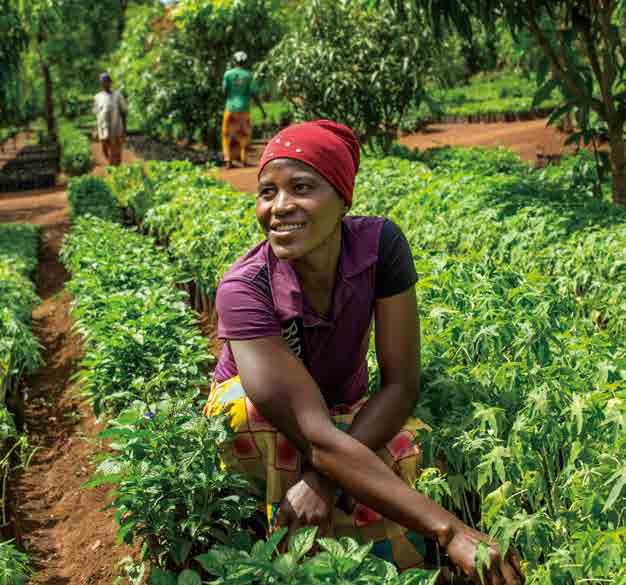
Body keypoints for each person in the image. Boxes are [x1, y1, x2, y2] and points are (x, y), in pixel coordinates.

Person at [205, 120, 523, 584]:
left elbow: (400, 383)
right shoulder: (244, 288)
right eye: (266, 192)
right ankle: (280, 557)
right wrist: (450, 529)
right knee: (246, 416)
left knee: (403, 445)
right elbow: (312, 434)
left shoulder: (380, 247)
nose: (279, 207)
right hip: (271, 427)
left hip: (338, 415)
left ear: (343, 199)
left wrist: (324, 480)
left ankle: (381, 570)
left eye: (301, 188)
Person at [222, 51, 265, 169]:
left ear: (234, 61)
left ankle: (228, 160)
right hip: (244, 109)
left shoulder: (228, 74)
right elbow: (254, 94)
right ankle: (244, 160)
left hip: (230, 108)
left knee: (227, 135)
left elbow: (224, 91)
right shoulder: (249, 75)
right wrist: (262, 109)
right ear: (245, 62)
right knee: (244, 135)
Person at [93, 73, 128, 166]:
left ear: (110, 82)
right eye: (102, 82)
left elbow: (124, 112)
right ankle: (112, 164)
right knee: (104, 149)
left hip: (116, 127)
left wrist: (124, 129)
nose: (104, 84)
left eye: (106, 81)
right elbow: (97, 114)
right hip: (103, 128)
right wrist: (96, 129)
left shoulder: (118, 95)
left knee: (116, 150)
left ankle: (116, 167)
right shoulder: (97, 97)